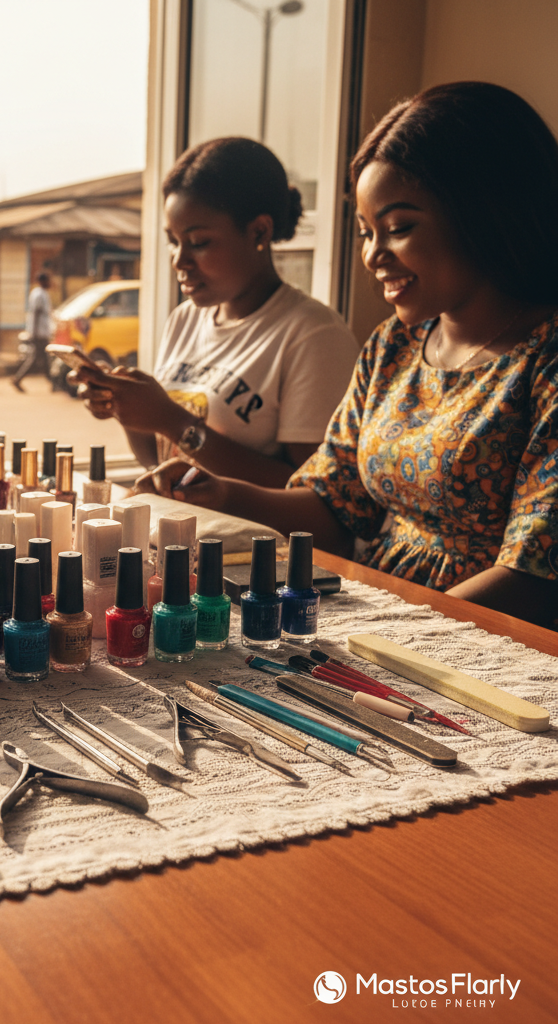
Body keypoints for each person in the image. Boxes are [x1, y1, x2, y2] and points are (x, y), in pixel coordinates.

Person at [157, 82, 558, 627]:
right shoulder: (395, 345)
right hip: (383, 612)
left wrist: (392, 633)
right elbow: (333, 504)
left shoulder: (544, 360)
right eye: (367, 231)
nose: (373, 255)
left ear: (487, 210)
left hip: (482, 642)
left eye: (398, 228)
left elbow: (534, 578)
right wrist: (221, 492)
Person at [72, 137, 359, 488]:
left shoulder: (313, 335)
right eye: (173, 241)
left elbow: (310, 496)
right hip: (184, 537)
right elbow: (165, 464)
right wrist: (127, 408)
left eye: (198, 242)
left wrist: (172, 420)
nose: (179, 260)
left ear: (259, 232)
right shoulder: (184, 320)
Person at [12, 272, 53, 392]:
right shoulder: (38, 294)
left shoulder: (43, 294)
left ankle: (52, 382)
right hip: (38, 333)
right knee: (37, 359)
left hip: (43, 331)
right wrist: (34, 333)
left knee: (43, 358)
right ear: (43, 282)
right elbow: (36, 313)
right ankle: (18, 379)